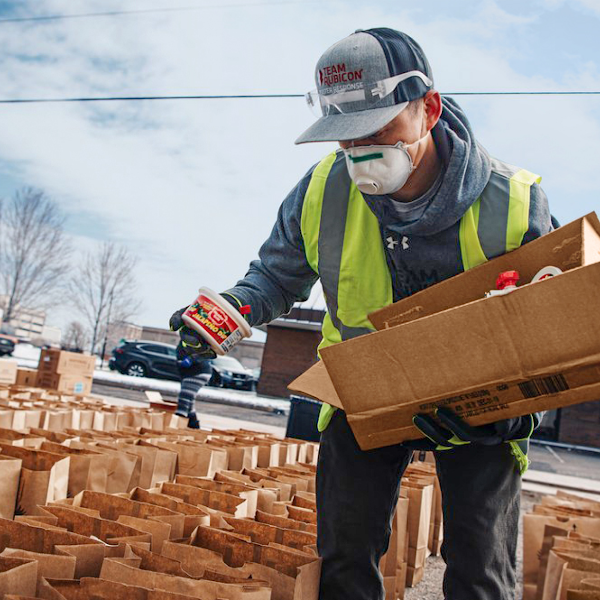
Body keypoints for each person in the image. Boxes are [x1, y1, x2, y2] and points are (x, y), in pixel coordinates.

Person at [171, 28, 553, 600]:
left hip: (478, 403)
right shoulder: (324, 188)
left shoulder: (511, 201)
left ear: (428, 110)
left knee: (480, 572)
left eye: (378, 131)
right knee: (345, 560)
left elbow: (552, 328)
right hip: (365, 388)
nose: (362, 153)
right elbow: (276, 275)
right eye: (347, 138)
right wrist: (226, 312)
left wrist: (515, 414)